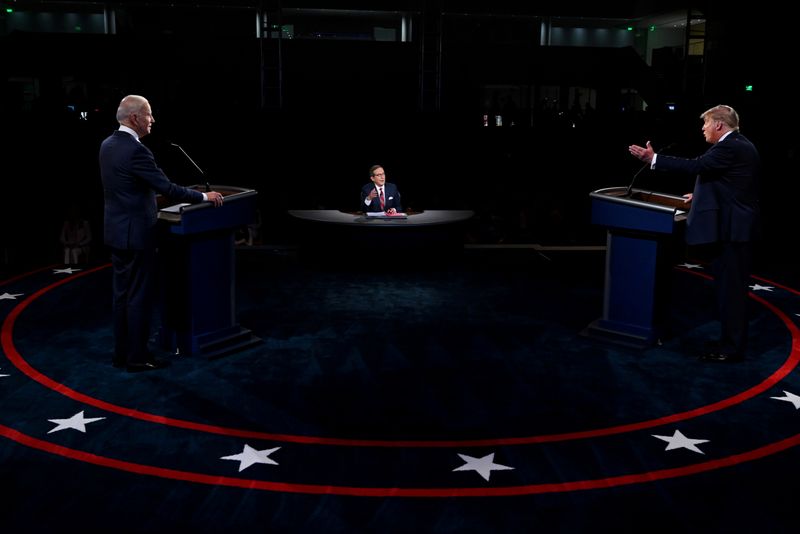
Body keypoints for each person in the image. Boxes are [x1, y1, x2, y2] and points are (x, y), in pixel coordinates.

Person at [99, 95, 224, 372]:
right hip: (137, 235)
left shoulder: (107, 145)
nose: (152, 120)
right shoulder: (137, 150)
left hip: (116, 232)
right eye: (148, 114)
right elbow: (168, 188)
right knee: (138, 297)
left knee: (121, 296)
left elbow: (127, 188)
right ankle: (137, 357)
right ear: (134, 118)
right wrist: (204, 195)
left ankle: (122, 354)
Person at [628, 104, 760, 362]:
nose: (703, 128)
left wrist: (652, 159)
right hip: (734, 229)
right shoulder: (740, 144)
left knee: (731, 293)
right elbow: (730, 184)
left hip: (733, 232)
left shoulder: (730, 146)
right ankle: (729, 341)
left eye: (706, 123)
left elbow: (697, 166)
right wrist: (698, 195)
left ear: (719, 125)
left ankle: (731, 349)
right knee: (728, 291)